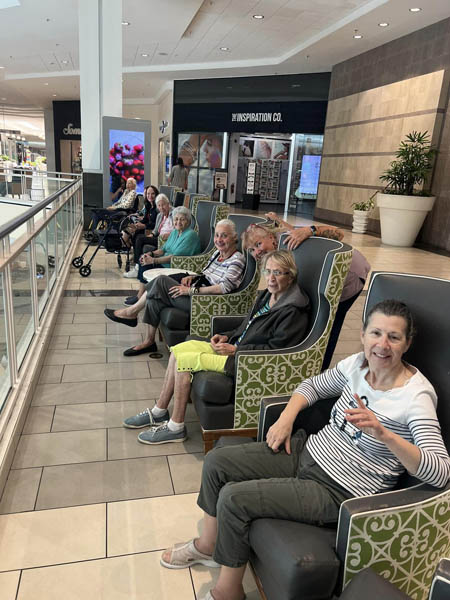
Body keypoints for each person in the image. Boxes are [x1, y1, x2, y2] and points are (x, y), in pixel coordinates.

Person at [160, 299, 450, 600]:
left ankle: (228, 592)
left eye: (394, 337)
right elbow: (311, 386)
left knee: (234, 499)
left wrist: (384, 434)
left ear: (407, 343)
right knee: (217, 461)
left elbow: (440, 472)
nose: (382, 345)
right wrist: (286, 419)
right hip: (306, 451)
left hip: (338, 489)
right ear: (363, 335)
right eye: (376, 333)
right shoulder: (356, 365)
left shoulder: (416, 396)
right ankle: (208, 546)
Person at [122, 250, 310, 445]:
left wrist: (237, 351)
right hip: (234, 349)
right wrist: (227, 336)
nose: (271, 278)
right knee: (179, 349)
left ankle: (176, 427)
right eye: (268, 271)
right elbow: (247, 325)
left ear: (291, 275)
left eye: (278, 273)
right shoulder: (268, 296)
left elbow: (275, 351)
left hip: (246, 362)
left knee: (184, 361)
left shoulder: (293, 311)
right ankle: (159, 411)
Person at [242, 213, 371, 369]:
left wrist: (310, 230)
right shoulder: (278, 248)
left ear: (270, 237)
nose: (256, 252)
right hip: (321, 273)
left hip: (349, 274)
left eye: (258, 244)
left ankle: (319, 371)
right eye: (251, 250)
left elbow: (339, 234)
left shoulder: (286, 239)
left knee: (327, 323)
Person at [104, 219, 245, 356]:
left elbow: (223, 288)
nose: (219, 239)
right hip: (199, 293)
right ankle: (149, 341)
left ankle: (132, 312)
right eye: (217, 235)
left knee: (161, 281)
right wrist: (194, 278)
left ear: (234, 237)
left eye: (224, 236)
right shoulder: (217, 254)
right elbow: (207, 275)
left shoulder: (237, 259)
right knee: (154, 298)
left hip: (205, 303)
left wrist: (191, 290)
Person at [121, 205, 199, 303]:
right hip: (165, 261)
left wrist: (153, 260)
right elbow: (163, 249)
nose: (178, 222)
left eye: (182, 219)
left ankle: (140, 297)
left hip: (176, 265)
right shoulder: (175, 232)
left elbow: (174, 257)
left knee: (147, 265)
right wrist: (150, 254)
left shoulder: (190, 235)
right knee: (143, 259)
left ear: (187, 221)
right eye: (176, 219)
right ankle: (140, 295)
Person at [123, 192, 173, 281]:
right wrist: (152, 234)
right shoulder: (160, 215)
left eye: (163, 205)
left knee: (140, 238)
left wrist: (171, 234)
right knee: (139, 237)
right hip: (158, 238)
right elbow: (156, 230)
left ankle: (137, 267)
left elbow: (178, 229)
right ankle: (139, 265)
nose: (161, 208)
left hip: (166, 240)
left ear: (168, 204)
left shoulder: (173, 214)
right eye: (159, 206)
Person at [121, 184, 159, 253]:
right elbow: (145, 219)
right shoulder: (148, 205)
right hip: (146, 227)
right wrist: (138, 224)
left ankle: (127, 248)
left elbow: (156, 224)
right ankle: (128, 248)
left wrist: (144, 225)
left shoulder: (157, 208)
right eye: (148, 194)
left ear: (156, 195)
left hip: (151, 230)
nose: (150, 196)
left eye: (153, 194)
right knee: (128, 230)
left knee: (134, 234)